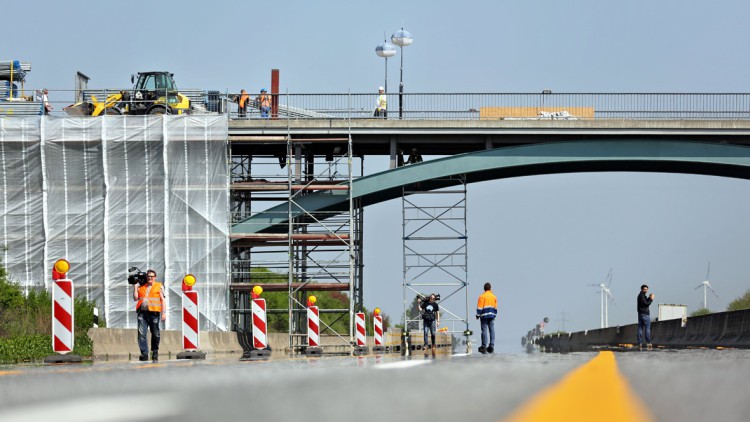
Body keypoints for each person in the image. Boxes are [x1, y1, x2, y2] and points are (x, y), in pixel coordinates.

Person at [133, 269, 166, 362]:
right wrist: (135, 287)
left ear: (155, 277)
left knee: (155, 334)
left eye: (152, 276)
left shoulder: (159, 286)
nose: (150, 277)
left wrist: (164, 313)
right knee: (141, 334)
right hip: (142, 313)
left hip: (154, 313)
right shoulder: (141, 287)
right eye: (148, 276)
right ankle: (144, 354)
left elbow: (163, 300)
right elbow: (135, 298)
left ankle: (155, 352)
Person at [476, 282, 498, 354]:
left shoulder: (482, 296)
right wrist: (494, 315)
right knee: (492, 330)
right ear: (490, 288)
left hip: (484, 316)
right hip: (491, 316)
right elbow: (495, 308)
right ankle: (491, 345)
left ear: (484, 289)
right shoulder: (494, 297)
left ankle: (484, 346)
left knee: (484, 330)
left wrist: (477, 315)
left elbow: (480, 307)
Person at [637, 284, 654, 350]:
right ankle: (648, 343)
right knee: (647, 328)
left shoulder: (640, 295)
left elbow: (644, 301)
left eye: (646, 289)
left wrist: (648, 298)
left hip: (640, 314)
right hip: (645, 314)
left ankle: (639, 343)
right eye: (644, 289)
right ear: (641, 289)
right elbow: (646, 304)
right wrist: (651, 299)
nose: (645, 290)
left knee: (640, 328)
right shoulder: (641, 295)